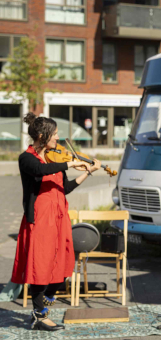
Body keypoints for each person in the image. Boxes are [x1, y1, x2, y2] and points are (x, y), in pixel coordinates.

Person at [12, 113, 100, 331]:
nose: (58, 139)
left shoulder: (55, 158)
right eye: (55, 135)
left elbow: (66, 188)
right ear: (42, 135)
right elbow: (40, 170)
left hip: (59, 217)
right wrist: (70, 163)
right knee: (40, 265)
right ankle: (39, 314)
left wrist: (87, 171)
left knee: (64, 263)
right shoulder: (27, 159)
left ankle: (47, 300)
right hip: (40, 219)